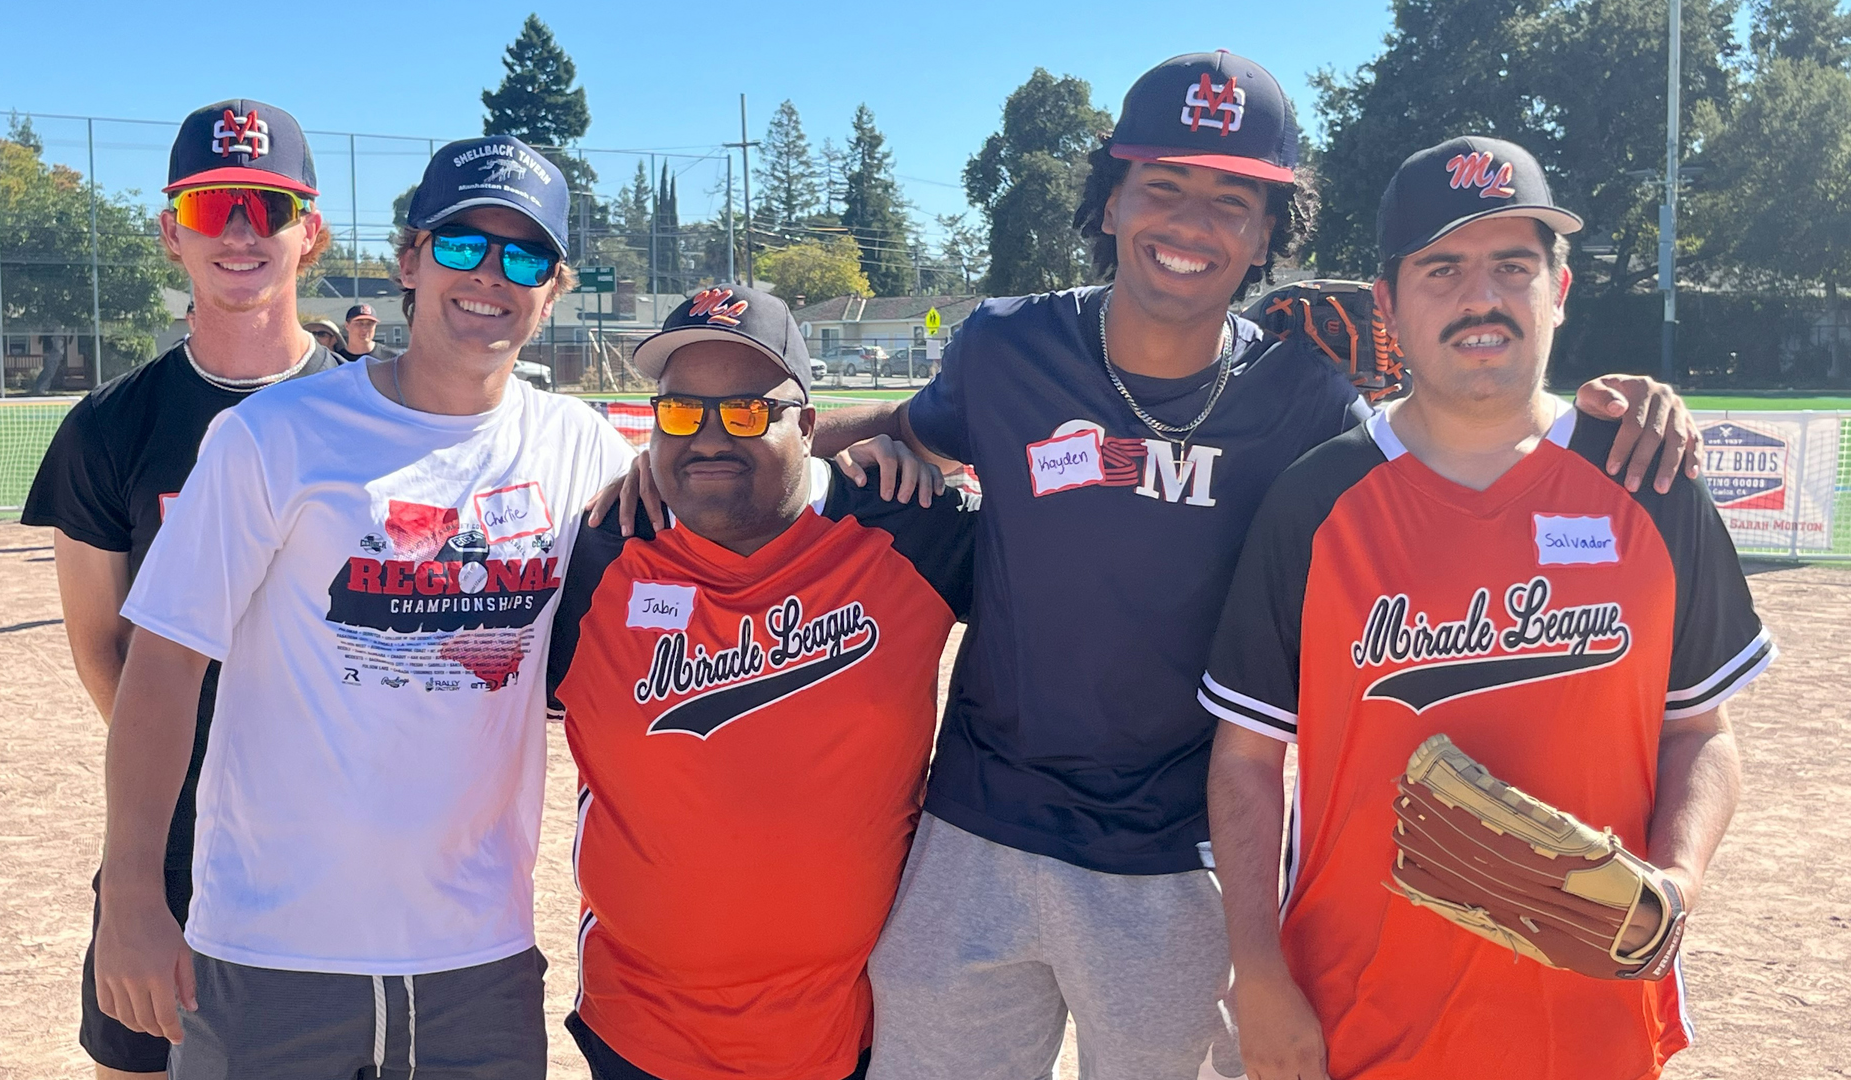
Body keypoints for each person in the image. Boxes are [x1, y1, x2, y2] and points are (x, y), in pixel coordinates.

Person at [601, 51, 1700, 1080]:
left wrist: (1609, 409)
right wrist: (703, 452)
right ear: (1111, 200)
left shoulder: (1303, 400)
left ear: (1270, 228)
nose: (1190, 224)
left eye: (1233, 200)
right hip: (979, 827)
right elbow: (903, 419)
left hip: (1179, 858)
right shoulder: (1006, 348)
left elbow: (1457, 440)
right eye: (1163, 186)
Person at [1204, 136, 1771, 1080]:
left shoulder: (1648, 477)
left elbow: (1700, 734)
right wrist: (1256, 975)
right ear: (1387, 303)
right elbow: (1247, 759)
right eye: (1443, 267)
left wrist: (1675, 886)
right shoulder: (1316, 502)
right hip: (1356, 1012)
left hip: (1592, 1018)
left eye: (1513, 265)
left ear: (1560, 288)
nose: (1481, 296)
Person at [90, 134, 633, 1079]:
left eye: (525, 256)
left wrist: (888, 438)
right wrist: (133, 893)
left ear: (554, 287)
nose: (490, 277)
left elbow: (728, 477)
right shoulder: (272, 436)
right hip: (270, 949)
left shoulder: (578, 445)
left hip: (480, 954)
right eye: (463, 246)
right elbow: (164, 663)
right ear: (410, 261)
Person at [550, 283, 974, 1080]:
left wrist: (893, 433)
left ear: (808, 425)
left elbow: (1032, 457)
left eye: (747, 411)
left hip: (858, 1025)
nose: (708, 436)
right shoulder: (600, 551)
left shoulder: (905, 529)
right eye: (681, 412)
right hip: (641, 1030)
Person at [20, 98, 340, 1080]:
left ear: (309, 232)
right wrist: (201, 784)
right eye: (210, 210)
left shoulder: (376, 416)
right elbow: (98, 649)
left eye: (266, 206)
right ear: (171, 232)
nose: (240, 233)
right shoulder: (108, 429)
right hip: (176, 842)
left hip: (343, 841)